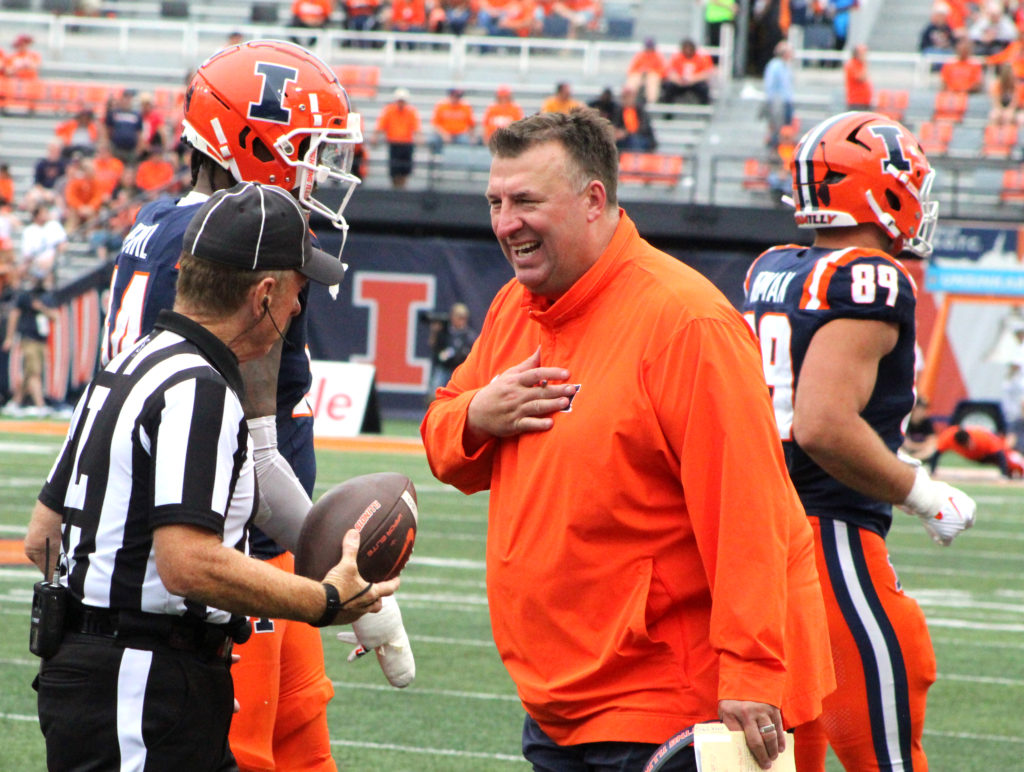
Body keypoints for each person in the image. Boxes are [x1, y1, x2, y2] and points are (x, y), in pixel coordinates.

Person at [420, 109, 835, 772]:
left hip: (669, 700)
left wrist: (753, 671)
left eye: (526, 201)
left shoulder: (683, 322)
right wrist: (475, 415)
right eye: (495, 202)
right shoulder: (513, 310)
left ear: (593, 200)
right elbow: (445, 446)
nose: (505, 224)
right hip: (559, 699)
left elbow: (748, 515)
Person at [101, 40, 413, 772]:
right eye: (310, 152)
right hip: (232, 556)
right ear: (256, 142)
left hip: (247, 546)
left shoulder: (155, 223)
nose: (327, 174)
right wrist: (345, 577)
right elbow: (258, 452)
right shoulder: (244, 246)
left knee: (302, 751)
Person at [24, 181, 400, 771]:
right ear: (264, 293)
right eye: (298, 290)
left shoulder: (132, 362)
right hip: (143, 680)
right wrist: (323, 600)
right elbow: (187, 564)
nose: (299, 308)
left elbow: (42, 535)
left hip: (102, 673)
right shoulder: (199, 387)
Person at [742, 111, 978, 771]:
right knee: (885, 740)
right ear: (880, 190)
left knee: (793, 746)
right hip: (829, 536)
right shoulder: (870, 278)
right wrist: (921, 491)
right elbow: (822, 423)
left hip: (761, 540)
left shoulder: (773, 268)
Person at [1, 277, 57, 417]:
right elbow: (14, 315)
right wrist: (9, 337)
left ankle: (15, 402)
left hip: (41, 341)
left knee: (29, 373)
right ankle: (40, 405)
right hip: (28, 339)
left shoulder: (45, 297)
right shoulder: (25, 296)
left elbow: (55, 316)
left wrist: (41, 308)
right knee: (34, 372)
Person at [933, 423, 1024, 478]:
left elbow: (1000, 454)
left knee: (1015, 463)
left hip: (995, 452)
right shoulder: (947, 438)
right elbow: (936, 454)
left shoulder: (981, 437)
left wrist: (1003, 474)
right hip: (979, 457)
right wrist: (932, 471)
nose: (969, 446)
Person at [426, 301, 477, 396]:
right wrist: (434, 332)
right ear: (452, 317)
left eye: (464, 318)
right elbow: (434, 346)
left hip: (460, 369)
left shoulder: (469, 336)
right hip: (444, 368)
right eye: (459, 317)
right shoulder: (444, 332)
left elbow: (473, 354)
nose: (461, 321)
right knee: (434, 392)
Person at [374, 87, 422, 188]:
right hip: (394, 143)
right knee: (394, 169)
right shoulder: (389, 111)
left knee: (405, 169)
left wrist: (418, 137)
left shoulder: (411, 112)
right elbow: (381, 125)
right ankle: (396, 187)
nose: (401, 103)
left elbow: (416, 127)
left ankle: (402, 187)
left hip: (406, 144)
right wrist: (376, 136)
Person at [662, 38, 715, 106]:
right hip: (680, 83)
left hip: (695, 82)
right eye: (686, 49)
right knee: (669, 86)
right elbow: (670, 71)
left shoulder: (701, 58)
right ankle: (668, 112)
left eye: (690, 49)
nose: (688, 51)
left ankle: (703, 110)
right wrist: (678, 80)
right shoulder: (677, 57)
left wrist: (693, 79)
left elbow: (707, 72)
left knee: (703, 88)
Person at [763, 40, 795, 148]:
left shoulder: (786, 66)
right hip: (778, 102)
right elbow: (770, 85)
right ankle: (773, 148)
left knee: (786, 128)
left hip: (786, 101)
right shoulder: (774, 66)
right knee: (776, 128)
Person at [429, 87, 477, 154]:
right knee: (433, 140)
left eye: (458, 96)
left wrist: (471, 135)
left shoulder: (466, 107)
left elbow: (471, 125)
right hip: (444, 133)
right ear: (450, 95)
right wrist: (444, 134)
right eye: (455, 96)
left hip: (460, 134)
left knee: (465, 141)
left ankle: (461, 159)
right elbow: (435, 125)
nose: (456, 98)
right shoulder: (441, 106)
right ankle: (438, 159)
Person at [103, 90, 145, 164]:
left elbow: (139, 132)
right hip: (116, 147)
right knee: (115, 167)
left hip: (131, 148)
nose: (127, 100)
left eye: (129, 98)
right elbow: (108, 129)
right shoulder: (114, 113)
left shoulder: (136, 115)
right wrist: (107, 144)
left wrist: (139, 147)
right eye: (125, 97)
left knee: (130, 169)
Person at [613, 86, 656, 151]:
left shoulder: (640, 110)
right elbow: (615, 124)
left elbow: (643, 128)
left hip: (641, 138)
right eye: (624, 97)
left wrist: (626, 133)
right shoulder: (620, 110)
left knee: (635, 140)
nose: (626, 99)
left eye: (628, 97)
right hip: (624, 139)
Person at [625, 37, 666, 106]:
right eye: (648, 47)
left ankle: (651, 103)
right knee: (633, 79)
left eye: (650, 47)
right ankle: (628, 101)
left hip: (652, 77)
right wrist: (641, 71)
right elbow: (631, 70)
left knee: (652, 80)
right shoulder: (640, 56)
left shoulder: (658, 56)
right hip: (640, 76)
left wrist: (650, 71)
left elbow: (663, 72)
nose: (649, 49)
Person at [901, 396, 939, 467]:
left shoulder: (927, 422)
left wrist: (918, 447)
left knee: (931, 448)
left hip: (920, 452)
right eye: (921, 409)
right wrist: (920, 446)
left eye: (924, 409)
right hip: (908, 450)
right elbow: (905, 443)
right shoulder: (906, 421)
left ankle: (913, 459)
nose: (923, 412)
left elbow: (932, 441)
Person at [844, 43, 872, 111]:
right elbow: (861, 78)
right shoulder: (852, 65)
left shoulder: (860, 65)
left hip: (864, 102)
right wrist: (864, 63)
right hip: (856, 103)